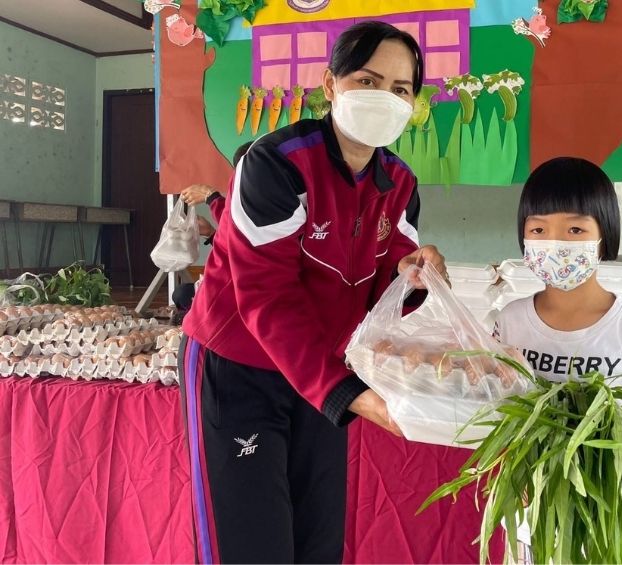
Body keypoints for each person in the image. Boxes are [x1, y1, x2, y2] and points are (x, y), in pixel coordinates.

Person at [178, 21, 447, 564]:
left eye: (400, 89)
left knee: (318, 541)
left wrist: (414, 278)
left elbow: (386, 285)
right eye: (367, 81)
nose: (384, 98)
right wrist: (346, 393)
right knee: (253, 548)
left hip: (321, 370)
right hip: (240, 367)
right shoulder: (277, 164)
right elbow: (266, 297)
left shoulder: (399, 183)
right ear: (330, 85)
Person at [493, 157, 622, 564]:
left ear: (605, 236)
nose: (555, 244)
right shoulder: (508, 323)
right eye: (538, 230)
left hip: (614, 522)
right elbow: (496, 414)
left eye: (574, 230)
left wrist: (595, 455)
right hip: (531, 522)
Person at [171, 142, 253, 325]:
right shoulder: (248, 195)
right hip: (238, 280)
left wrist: (211, 196)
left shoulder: (271, 199)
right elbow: (235, 243)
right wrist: (211, 232)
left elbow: (239, 230)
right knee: (183, 293)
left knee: (191, 297)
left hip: (252, 288)